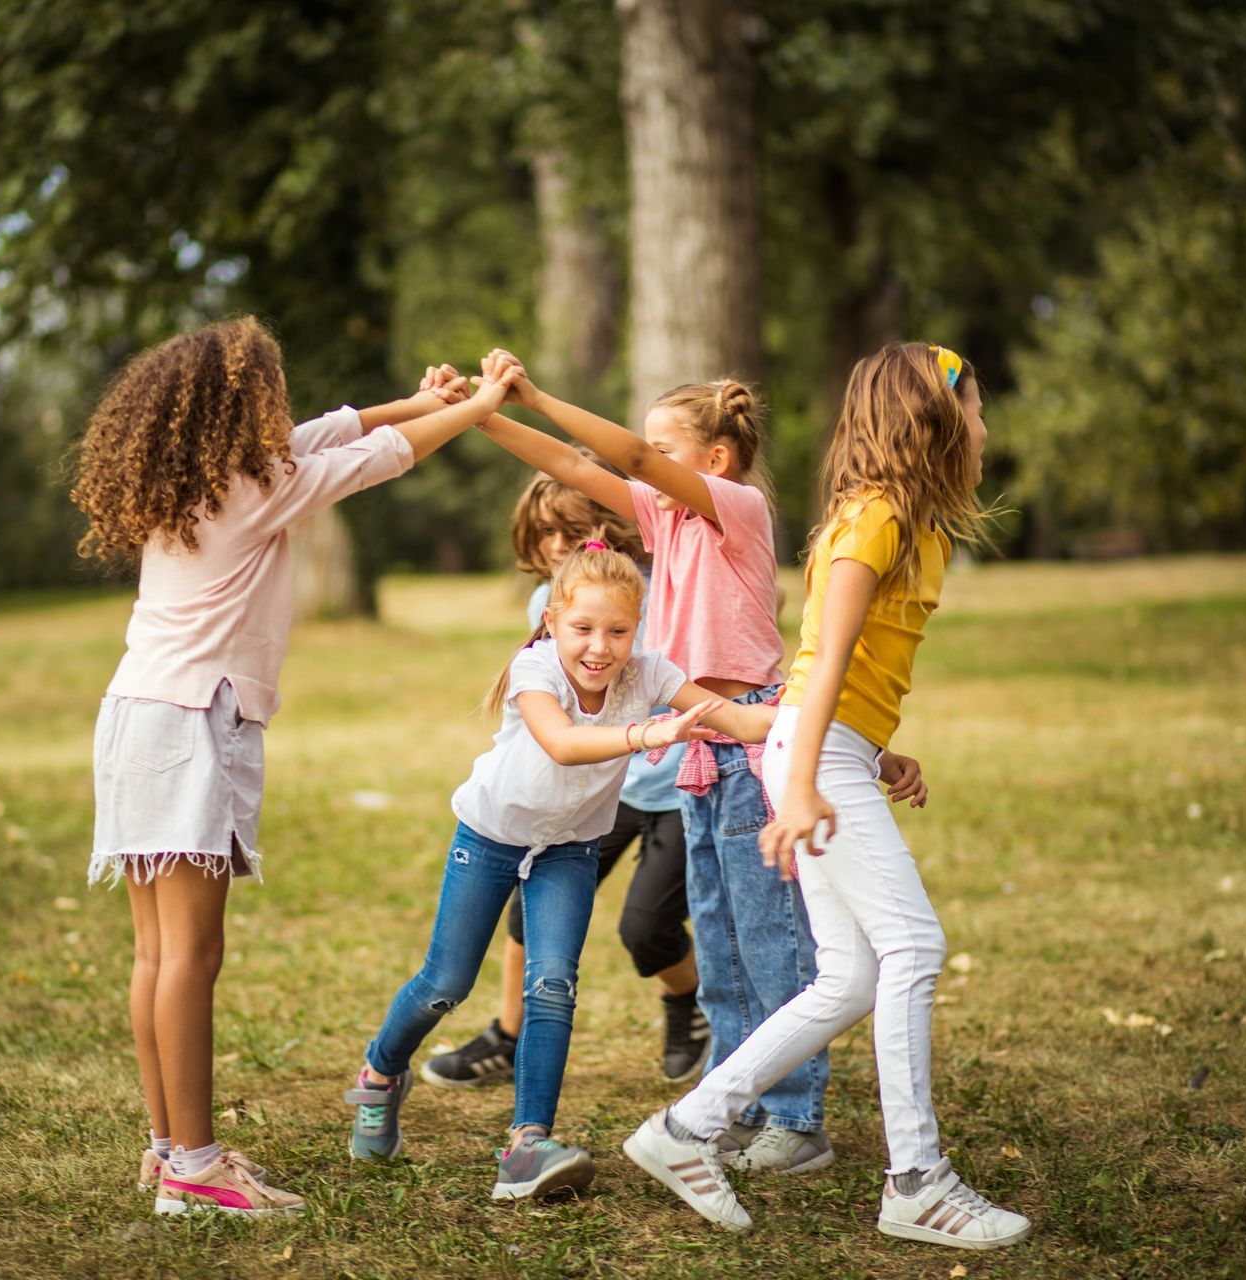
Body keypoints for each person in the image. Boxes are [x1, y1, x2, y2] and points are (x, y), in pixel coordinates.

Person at [70, 315, 517, 1216]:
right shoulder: (252, 489)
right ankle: (196, 1167)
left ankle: (169, 1151)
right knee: (191, 955)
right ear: (241, 406)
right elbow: (379, 458)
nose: (282, 410)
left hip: (136, 716)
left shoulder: (200, 485)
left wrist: (422, 400)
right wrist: (480, 408)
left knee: (157, 952)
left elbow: (341, 429)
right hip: (190, 722)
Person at [622, 341, 1032, 1249]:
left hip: (831, 749)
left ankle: (686, 1129)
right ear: (931, 419)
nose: (984, 426)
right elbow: (826, 659)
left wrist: (873, 752)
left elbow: (849, 675)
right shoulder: (874, 516)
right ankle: (917, 1181)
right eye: (973, 408)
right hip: (812, 752)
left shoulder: (908, 522)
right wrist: (804, 781)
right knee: (913, 946)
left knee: (850, 977)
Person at [468, 350, 833, 1173]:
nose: (644, 462)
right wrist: (484, 413)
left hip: (747, 747)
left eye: (665, 450)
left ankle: (797, 1118)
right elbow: (571, 467)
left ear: (715, 460)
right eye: (651, 452)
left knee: (770, 940)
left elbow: (625, 455)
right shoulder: (665, 520)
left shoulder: (737, 509)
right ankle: (735, 1100)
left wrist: (537, 394)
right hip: (699, 748)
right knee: (723, 947)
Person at [345, 542, 776, 1200]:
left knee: (552, 987)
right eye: (582, 629)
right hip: (490, 837)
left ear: (638, 628)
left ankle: (528, 1144)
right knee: (445, 983)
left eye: (618, 631)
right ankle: (379, 1076)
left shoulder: (651, 675)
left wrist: (859, 737)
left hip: (571, 848)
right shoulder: (534, 668)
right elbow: (564, 744)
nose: (600, 648)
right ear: (551, 622)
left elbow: (743, 719)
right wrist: (647, 736)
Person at [421, 471, 708, 1089]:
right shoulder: (547, 611)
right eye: (544, 531)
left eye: (571, 530)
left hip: (676, 788)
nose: (556, 544)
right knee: (527, 914)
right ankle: (508, 1035)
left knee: (647, 929)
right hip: (606, 786)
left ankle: (688, 1003)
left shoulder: (656, 592)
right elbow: (555, 722)